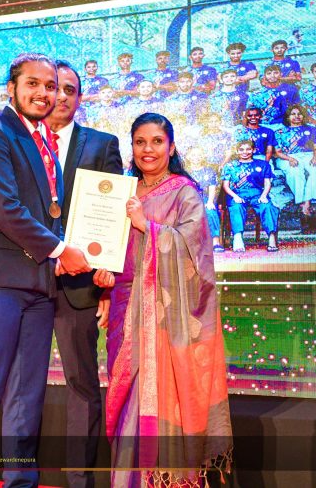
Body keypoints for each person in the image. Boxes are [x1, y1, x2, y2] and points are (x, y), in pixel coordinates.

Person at [0, 52, 102, 488]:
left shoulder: (45, 144)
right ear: (12, 88)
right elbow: (2, 208)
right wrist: (61, 249)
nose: (44, 93)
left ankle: (21, 483)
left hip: (38, 286)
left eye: (51, 86)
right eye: (33, 84)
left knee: (26, 399)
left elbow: (51, 213)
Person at [104, 113, 232, 487]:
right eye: (140, 142)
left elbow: (196, 254)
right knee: (127, 407)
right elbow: (111, 250)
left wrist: (147, 225)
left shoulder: (184, 192)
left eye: (157, 141)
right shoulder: (122, 192)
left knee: (159, 400)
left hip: (164, 320)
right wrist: (102, 278)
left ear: (171, 148)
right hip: (125, 312)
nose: (148, 149)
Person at [45, 60, 123, 488]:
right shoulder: (18, 143)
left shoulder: (102, 144)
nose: (61, 96)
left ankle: (79, 481)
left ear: (80, 97)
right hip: (26, 282)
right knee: (19, 382)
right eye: (55, 87)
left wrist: (107, 278)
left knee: (81, 384)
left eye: (70, 90)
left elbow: (113, 217)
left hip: (79, 286)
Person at [222, 140, 280, 252]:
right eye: (241, 149)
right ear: (237, 151)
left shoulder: (263, 164)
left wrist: (264, 196)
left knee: (268, 206)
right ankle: (238, 238)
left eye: (248, 149)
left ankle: (272, 238)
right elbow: (226, 186)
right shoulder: (230, 166)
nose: (245, 152)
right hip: (237, 193)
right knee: (236, 207)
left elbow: (267, 183)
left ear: (253, 150)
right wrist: (235, 196)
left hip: (257, 193)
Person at [274, 103, 316, 218]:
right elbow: (277, 152)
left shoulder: (312, 129)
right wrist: (289, 158)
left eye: (299, 114)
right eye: (293, 114)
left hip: (309, 154)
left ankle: (308, 201)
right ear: (288, 117)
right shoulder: (280, 132)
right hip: (287, 156)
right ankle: (302, 201)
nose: (297, 116)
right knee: (294, 171)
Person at [247, 64, 300, 131]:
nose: (272, 76)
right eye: (269, 73)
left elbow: (298, 109)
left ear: (281, 74)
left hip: (285, 126)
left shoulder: (291, 90)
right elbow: (249, 113)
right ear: (264, 76)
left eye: (276, 73)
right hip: (263, 126)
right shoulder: (256, 95)